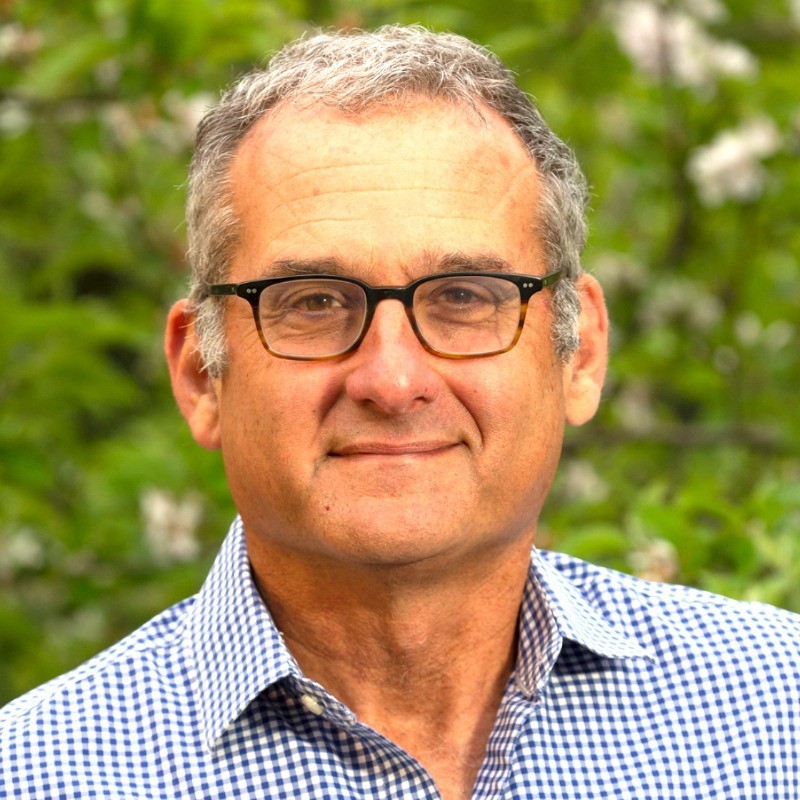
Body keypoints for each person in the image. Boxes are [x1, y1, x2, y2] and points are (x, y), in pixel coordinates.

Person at [1, 25, 797, 800]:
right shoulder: (36, 777)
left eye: (464, 297)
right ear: (203, 374)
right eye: (313, 302)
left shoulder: (776, 716)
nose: (391, 379)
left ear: (579, 353)